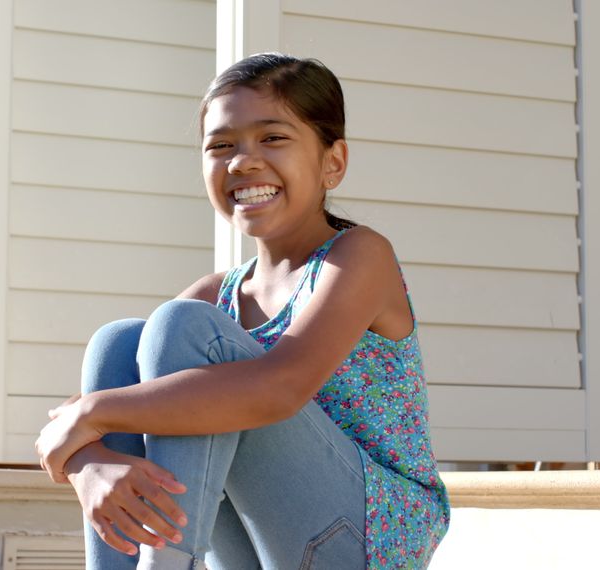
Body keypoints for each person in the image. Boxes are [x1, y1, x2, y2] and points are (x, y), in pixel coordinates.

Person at [35, 53, 450, 570]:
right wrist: (90, 465)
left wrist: (90, 418)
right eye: (221, 146)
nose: (242, 161)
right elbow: (73, 420)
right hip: (258, 543)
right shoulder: (218, 294)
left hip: (368, 537)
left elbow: (279, 388)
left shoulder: (358, 255)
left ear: (332, 162)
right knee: (118, 341)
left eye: (272, 138)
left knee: (180, 328)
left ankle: (167, 565)